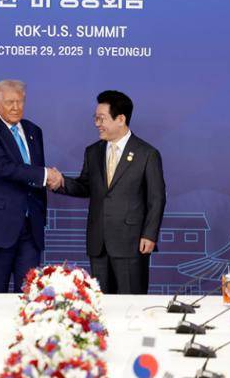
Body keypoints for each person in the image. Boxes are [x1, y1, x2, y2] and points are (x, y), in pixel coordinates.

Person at [53, 90, 166, 294]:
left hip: (131, 242)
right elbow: (85, 186)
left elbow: (156, 199)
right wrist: (61, 182)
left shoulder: (147, 154)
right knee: (102, 303)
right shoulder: (93, 151)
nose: (97, 123)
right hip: (98, 243)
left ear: (121, 119)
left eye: (101, 118)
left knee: (131, 302)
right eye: (95, 118)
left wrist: (149, 235)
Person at [0, 79, 63, 292]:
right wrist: (46, 174)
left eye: (20, 101)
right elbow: (2, 167)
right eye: (10, 102)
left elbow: (33, 175)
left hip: (30, 228)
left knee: (29, 295)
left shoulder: (34, 130)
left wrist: (47, 179)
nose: (16, 107)